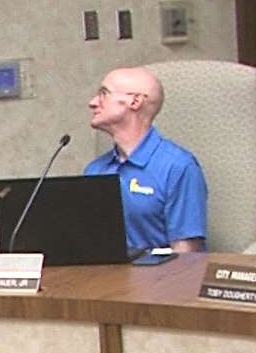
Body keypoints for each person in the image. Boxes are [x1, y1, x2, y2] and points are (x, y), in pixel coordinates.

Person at [83, 65, 206, 253]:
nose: (93, 102)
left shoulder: (178, 166)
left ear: (135, 101)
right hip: (105, 279)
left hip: (162, 278)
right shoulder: (95, 170)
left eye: (104, 93)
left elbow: (187, 256)